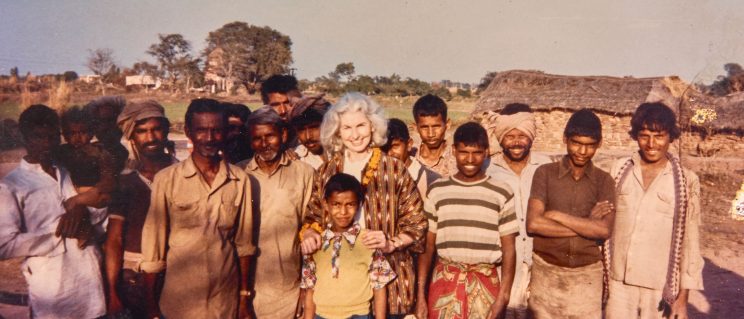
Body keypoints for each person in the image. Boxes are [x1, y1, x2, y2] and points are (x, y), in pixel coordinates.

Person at [299, 92, 427, 318]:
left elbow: (417, 225)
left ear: (373, 127)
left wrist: (391, 243)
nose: (355, 135)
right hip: (340, 291)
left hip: (389, 285)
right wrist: (309, 234)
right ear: (337, 131)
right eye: (347, 128)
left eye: (361, 125)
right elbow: (313, 218)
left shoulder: (394, 170)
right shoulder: (326, 171)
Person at [140, 98, 255, 318]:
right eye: (201, 130)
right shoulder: (167, 180)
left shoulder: (240, 180)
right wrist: (151, 307)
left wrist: (243, 299)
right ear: (188, 132)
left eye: (217, 131)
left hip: (224, 303)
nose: (210, 138)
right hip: (179, 304)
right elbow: (154, 248)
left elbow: (245, 245)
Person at [0, 104, 106, 318]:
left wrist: (83, 212)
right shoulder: (12, 186)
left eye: (52, 137)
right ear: (24, 138)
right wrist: (58, 234)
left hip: (90, 282)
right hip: (52, 288)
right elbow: (4, 245)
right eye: (38, 137)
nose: (47, 144)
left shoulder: (66, 172)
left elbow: (100, 220)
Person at [605, 102, 703, 319]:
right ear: (635, 136)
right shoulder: (619, 170)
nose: (651, 144)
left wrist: (682, 299)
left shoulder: (686, 180)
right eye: (644, 135)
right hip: (618, 284)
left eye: (659, 136)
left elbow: (690, 243)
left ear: (671, 137)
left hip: (660, 287)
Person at [416, 122, 518, 319]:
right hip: (444, 284)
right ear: (453, 151)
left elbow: (509, 249)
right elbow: (427, 247)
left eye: (477, 152)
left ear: (487, 152)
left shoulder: (501, 192)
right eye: (463, 152)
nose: (470, 159)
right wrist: (421, 295)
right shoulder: (437, 190)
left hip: (486, 285)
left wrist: (503, 297)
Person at [525, 109, 616, 318]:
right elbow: (534, 224)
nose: (582, 151)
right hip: (546, 273)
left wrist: (556, 214)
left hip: (587, 278)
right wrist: (587, 226)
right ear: (565, 139)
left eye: (590, 145)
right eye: (576, 143)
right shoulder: (544, 174)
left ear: (599, 144)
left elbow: (603, 229)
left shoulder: (604, 181)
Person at [104, 100, 178, 317]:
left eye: (156, 129)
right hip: (134, 279)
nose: (151, 137)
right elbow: (114, 240)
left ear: (165, 131)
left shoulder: (182, 174)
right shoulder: (125, 182)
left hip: (177, 274)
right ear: (131, 136)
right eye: (142, 131)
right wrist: (113, 293)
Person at [239, 107, 314, 318]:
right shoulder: (239, 174)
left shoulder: (304, 174)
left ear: (282, 135)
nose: (264, 144)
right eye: (257, 138)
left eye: (270, 136)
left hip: (287, 290)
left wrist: (306, 290)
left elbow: (312, 229)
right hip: (245, 288)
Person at [484, 103, 551, 318]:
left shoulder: (545, 167)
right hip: (501, 267)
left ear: (531, 135)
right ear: (500, 136)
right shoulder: (487, 170)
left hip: (538, 265)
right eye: (509, 136)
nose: (516, 142)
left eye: (522, 135)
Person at [301, 173, 395, 319]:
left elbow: (380, 286)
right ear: (326, 204)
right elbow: (309, 289)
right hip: (321, 315)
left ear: (359, 205)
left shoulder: (368, 240)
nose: (343, 212)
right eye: (336, 205)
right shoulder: (316, 242)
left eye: (350, 205)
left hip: (358, 315)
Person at [381, 118, 440, 200]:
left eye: (395, 146)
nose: (389, 153)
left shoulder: (431, 181)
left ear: (409, 144)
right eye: (384, 148)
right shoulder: (377, 177)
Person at [412, 94, 457, 177]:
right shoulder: (410, 157)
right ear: (415, 128)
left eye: (436, 126)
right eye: (424, 127)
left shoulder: (457, 157)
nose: (431, 134)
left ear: (447, 124)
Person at [289, 93, 331, 170]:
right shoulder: (296, 158)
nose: (308, 136)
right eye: (301, 130)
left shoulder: (344, 151)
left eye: (314, 127)